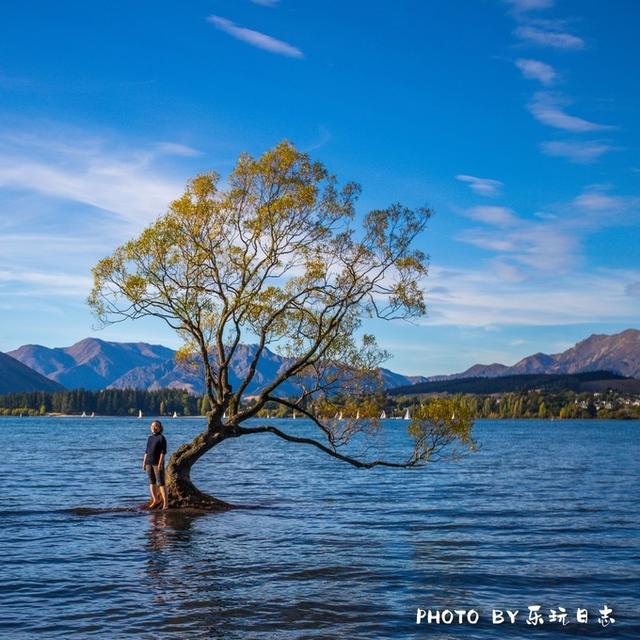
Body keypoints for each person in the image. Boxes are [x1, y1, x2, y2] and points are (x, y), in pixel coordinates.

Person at [142, 420, 168, 510]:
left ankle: (165, 503)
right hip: (149, 463)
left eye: (156, 426)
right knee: (152, 482)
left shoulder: (161, 438)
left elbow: (163, 452)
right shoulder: (150, 438)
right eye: (152, 425)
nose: (154, 427)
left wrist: (160, 463)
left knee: (161, 483)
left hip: (157, 463)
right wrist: (144, 463)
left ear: (160, 428)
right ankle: (155, 500)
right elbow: (146, 451)